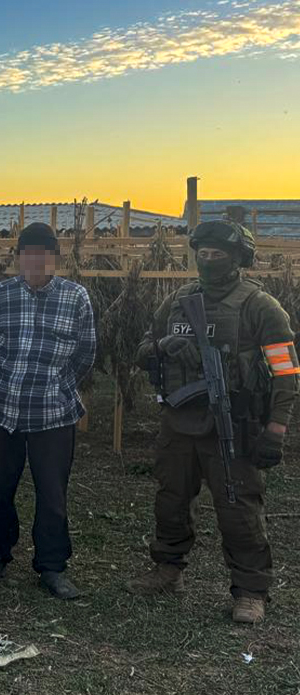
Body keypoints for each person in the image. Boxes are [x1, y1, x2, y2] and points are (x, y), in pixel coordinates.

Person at [128, 220, 295, 624]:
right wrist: (163, 346)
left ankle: (251, 590)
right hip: (179, 421)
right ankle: (168, 569)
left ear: (238, 258)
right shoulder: (179, 300)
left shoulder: (260, 306)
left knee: (238, 508)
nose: (208, 259)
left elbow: (286, 372)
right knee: (170, 499)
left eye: (218, 253)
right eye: (202, 253)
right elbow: (143, 348)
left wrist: (276, 429)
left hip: (232, 423)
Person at [0, 222, 95, 599]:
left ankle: (52, 566)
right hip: (2, 410)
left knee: (52, 493)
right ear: (18, 257)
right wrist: (5, 383)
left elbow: (85, 354)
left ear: (54, 258)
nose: (36, 261)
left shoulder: (76, 297)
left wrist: (55, 384)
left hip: (53, 414)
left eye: (44, 254)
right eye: (29, 253)